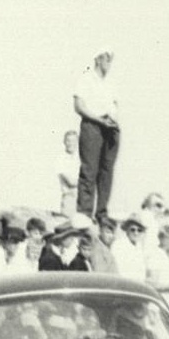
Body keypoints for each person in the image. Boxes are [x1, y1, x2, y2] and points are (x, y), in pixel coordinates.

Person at [73, 48, 120, 218]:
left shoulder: (110, 82)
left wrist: (112, 121)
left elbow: (115, 104)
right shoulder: (86, 78)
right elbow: (79, 106)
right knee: (89, 170)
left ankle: (102, 213)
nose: (109, 62)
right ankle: (84, 213)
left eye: (111, 59)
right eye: (106, 58)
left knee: (107, 171)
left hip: (110, 126)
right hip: (93, 124)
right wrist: (99, 119)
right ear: (98, 59)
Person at [112, 212, 148, 282]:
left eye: (139, 230)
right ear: (127, 230)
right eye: (132, 230)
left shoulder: (139, 247)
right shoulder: (119, 245)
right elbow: (118, 270)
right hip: (124, 283)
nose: (136, 233)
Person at [57, 130, 81, 216]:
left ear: (77, 142)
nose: (71, 143)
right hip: (69, 200)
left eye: (73, 141)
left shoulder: (80, 159)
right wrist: (86, 181)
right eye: (68, 140)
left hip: (82, 200)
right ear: (64, 142)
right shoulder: (61, 159)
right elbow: (71, 182)